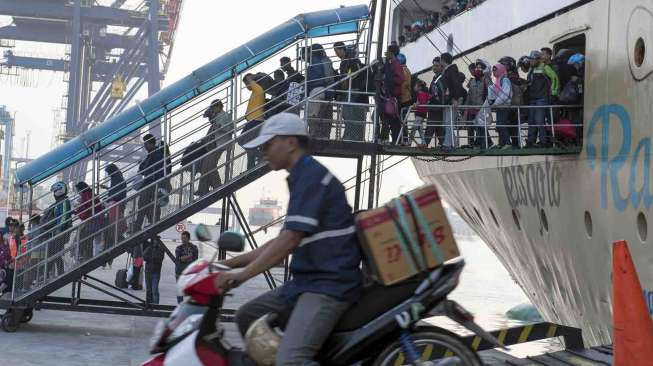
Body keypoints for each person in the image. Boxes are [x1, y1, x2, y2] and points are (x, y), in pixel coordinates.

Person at [216, 113, 362, 365]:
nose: (263, 151)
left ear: (291, 143)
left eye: (268, 144)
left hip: (329, 284)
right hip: (307, 281)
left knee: (291, 360)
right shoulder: (300, 177)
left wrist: (242, 275)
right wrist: (227, 265)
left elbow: (289, 241)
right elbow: (280, 240)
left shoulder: (312, 177)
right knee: (246, 316)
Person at [198, 99, 232, 195]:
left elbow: (230, 128)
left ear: (218, 107)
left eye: (214, 107)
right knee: (205, 166)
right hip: (213, 144)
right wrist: (209, 113)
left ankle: (217, 186)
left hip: (220, 144)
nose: (213, 110)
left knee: (210, 165)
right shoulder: (216, 115)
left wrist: (220, 127)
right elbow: (206, 115)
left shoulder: (226, 115)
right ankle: (203, 189)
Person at [334, 42, 367, 141]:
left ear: (341, 49)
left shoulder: (348, 61)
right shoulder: (354, 60)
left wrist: (343, 88)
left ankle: (351, 136)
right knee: (353, 115)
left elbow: (349, 76)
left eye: (336, 51)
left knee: (349, 115)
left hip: (351, 91)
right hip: (355, 91)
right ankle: (354, 135)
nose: (336, 54)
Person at [526, 50, 559, 147]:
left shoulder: (545, 67)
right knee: (531, 121)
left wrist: (553, 91)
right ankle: (530, 141)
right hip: (533, 99)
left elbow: (555, 78)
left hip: (542, 98)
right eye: (530, 59)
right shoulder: (531, 69)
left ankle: (544, 141)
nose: (530, 61)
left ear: (538, 59)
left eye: (532, 59)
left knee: (539, 121)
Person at [133, 134, 165, 231]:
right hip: (150, 183)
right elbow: (143, 167)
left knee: (143, 204)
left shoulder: (156, 154)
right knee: (146, 205)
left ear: (151, 143)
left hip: (151, 183)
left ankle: (139, 225)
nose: (145, 147)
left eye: (146, 144)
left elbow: (147, 168)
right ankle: (150, 222)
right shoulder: (153, 153)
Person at [41, 181, 72, 278]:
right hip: (56, 233)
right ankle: (57, 273)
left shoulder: (64, 202)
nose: (54, 194)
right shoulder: (59, 202)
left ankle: (46, 274)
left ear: (59, 191)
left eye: (55, 191)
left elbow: (63, 217)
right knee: (55, 254)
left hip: (60, 233)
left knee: (53, 254)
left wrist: (58, 229)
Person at [303, 44, 334, 139]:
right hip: (327, 91)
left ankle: (313, 135)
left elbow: (313, 79)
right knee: (324, 116)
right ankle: (323, 136)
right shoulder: (326, 60)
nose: (304, 58)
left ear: (310, 53)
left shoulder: (315, 61)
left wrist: (305, 90)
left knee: (312, 115)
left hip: (317, 90)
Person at [440, 52, 466, 149]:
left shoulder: (452, 70)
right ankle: (453, 143)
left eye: (440, 60)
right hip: (448, 101)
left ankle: (448, 144)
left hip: (451, 101)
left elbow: (456, 84)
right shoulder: (448, 70)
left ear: (443, 60)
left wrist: (455, 98)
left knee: (448, 123)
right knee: (446, 123)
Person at [101, 163, 126, 264]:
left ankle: (107, 255)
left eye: (108, 172)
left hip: (115, 206)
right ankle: (107, 256)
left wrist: (107, 199)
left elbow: (115, 193)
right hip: (116, 205)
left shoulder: (116, 178)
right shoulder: (117, 177)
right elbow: (116, 191)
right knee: (111, 231)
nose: (108, 174)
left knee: (112, 230)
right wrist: (107, 190)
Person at [379, 44, 404, 144]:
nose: (385, 53)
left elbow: (400, 79)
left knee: (390, 118)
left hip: (393, 97)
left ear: (391, 53)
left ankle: (389, 139)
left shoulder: (395, 64)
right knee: (390, 118)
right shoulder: (391, 63)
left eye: (387, 51)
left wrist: (388, 80)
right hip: (391, 96)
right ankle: (392, 140)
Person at [75, 181, 105, 262]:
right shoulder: (89, 193)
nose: (78, 192)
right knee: (87, 238)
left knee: (83, 237)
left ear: (81, 189)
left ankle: (84, 256)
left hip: (93, 220)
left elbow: (87, 207)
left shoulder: (86, 195)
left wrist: (78, 209)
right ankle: (87, 256)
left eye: (78, 190)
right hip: (95, 220)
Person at [241, 73, 266, 170]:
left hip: (255, 120)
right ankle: (250, 167)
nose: (246, 86)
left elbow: (249, 78)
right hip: (253, 120)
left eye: (246, 84)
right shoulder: (255, 91)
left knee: (241, 141)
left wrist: (252, 77)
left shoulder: (257, 88)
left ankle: (260, 155)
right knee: (250, 145)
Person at [488, 63, 513, 149]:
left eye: (495, 70)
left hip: (504, 106)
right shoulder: (498, 81)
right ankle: (502, 143)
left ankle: (507, 143)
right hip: (500, 106)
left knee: (501, 124)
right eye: (493, 70)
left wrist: (495, 103)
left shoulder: (505, 80)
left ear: (501, 70)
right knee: (499, 125)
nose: (493, 71)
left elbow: (505, 94)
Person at [465, 62, 489, 147]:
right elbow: (469, 95)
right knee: (471, 126)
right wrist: (466, 108)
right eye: (476, 68)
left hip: (481, 108)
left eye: (479, 68)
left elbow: (490, 93)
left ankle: (484, 143)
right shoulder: (472, 81)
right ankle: (472, 143)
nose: (477, 70)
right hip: (472, 108)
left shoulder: (486, 80)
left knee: (480, 127)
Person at [424, 57, 445, 147]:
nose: (434, 67)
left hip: (438, 107)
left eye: (436, 65)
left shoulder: (441, 79)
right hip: (433, 106)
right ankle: (442, 142)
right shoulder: (435, 78)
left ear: (441, 67)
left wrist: (440, 104)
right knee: (438, 126)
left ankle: (425, 143)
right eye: (433, 65)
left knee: (431, 124)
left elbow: (442, 94)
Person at [175, 230, 198, 303]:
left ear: (188, 238)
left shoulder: (194, 247)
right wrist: (189, 256)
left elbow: (195, 259)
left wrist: (184, 258)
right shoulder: (179, 248)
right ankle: (180, 306)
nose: (182, 240)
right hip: (180, 272)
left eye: (184, 238)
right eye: (182, 238)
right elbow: (179, 259)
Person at [143, 234, 165, 304]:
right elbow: (144, 256)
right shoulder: (149, 247)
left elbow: (160, 258)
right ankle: (148, 304)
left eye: (157, 240)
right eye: (155, 240)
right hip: (148, 271)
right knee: (148, 290)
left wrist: (151, 258)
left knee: (154, 290)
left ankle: (156, 305)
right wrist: (151, 258)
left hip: (156, 272)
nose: (155, 241)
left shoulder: (161, 249)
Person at [398, 53, 413, 144]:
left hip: (404, 99)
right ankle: (404, 139)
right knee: (404, 121)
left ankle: (403, 139)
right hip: (407, 98)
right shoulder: (407, 70)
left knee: (402, 120)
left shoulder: (402, 71)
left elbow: (403, 85)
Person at [412, 80, 430, 147]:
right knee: (420, 130)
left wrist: (416, 104)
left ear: (419, 87)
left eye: (415, 85)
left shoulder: (421, 94)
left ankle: (409, 142)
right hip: (422, 114)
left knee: (413, 128)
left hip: (420, 114)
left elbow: (422, 103)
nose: (414, 87)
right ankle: (424, 142)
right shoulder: (424, 94)